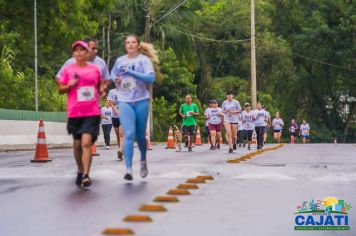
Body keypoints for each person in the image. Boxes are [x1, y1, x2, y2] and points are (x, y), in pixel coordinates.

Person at [57, 40, 105, 188]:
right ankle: (79, 170)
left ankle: (86, 174)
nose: (79, 53)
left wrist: (102, 91)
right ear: (73, 53)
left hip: (92, 111)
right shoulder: (68, 70)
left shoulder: (95, 69)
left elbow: (100, 84)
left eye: (82, 50)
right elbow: (60, 89)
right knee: (77, 145)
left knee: (86, 143)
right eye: (76, 50)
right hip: (75, 112)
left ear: (87, 52)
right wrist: (69, 85)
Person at [110, 34, 156, 181]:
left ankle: (143, 161)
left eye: (133, 42)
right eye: (128, 42)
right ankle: (128, 169)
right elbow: (113, 74)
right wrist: (115, 79)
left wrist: (131, 72)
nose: (130, 44)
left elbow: (151, 78)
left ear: (138, 45)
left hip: (141, 100)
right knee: (129, 134)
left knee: (141, 136)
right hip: (125, 101)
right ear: (125, 45)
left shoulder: (144, 60)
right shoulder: (120, 61)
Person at [107, 84, 124, 160]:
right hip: (114, 116)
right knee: (117, 135)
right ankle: (120, 151)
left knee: (121, 134)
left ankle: (120, 150)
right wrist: (117, 111)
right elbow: (111, 103)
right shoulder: (112, 92)